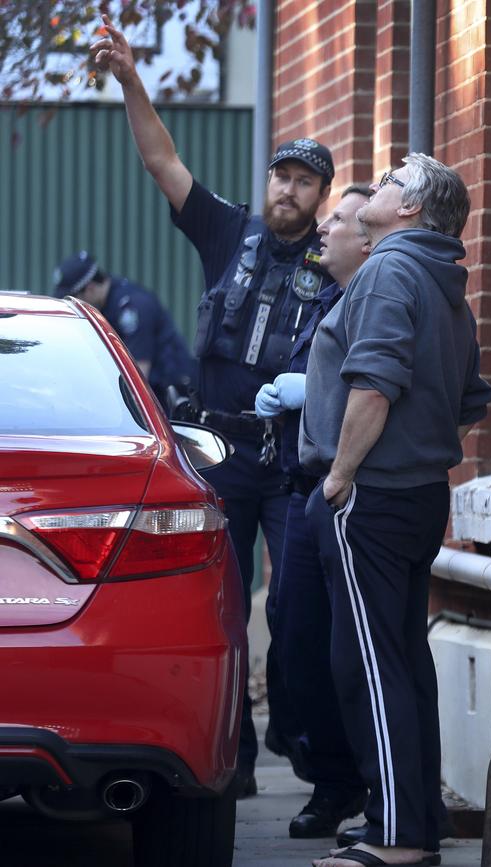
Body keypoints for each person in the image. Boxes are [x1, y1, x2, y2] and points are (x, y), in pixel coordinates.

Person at [91, 16, 334, 798]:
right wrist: (132, 80)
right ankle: (231, 757)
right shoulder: (230, 231)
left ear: (321, 196)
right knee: (219, 609)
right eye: (280, 176)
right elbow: (162, 160)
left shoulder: (338, 263)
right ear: (267, 183)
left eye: (302, 181)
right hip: (222, 456)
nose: (286, 190)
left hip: (292, 462)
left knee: (296, 615)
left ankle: (305, 750)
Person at [300, 154, 491, 867]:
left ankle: (396, 838)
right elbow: (468, 399)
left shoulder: (389, 268)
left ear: (410, 208)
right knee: (403, 661)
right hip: (417, 496)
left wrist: (341, 476)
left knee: (371, 666)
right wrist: (418, 450)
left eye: (386, 181)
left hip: (369, 494)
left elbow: (375, 383)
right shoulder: (447, 282)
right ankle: (412, 821)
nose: (372, 189)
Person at [255, 185, 372, 839]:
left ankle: (363, 786)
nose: (321, 229)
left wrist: (339, 475)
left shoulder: (377, 295)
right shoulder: (326, 297)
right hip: (309, 490)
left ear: (368, 236)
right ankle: (330, 779)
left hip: (345, 490)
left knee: (354, 649)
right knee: (298, 641)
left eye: (336, 218)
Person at [53, 251, 197, 405]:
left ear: (90, 288)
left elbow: (138, 377)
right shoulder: (106, 304)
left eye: (75, 298)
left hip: (170, 400)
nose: (75, 306)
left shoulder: (133, 307)